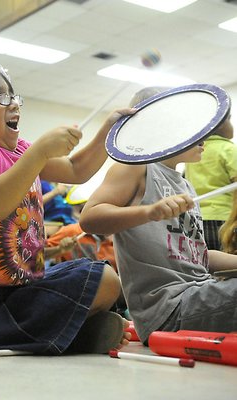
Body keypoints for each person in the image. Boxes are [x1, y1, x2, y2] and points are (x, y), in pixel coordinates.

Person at [0, 60, 134, 355]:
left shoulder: (21, 150)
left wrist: (108, 130)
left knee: (105, 278)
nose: (13, 103)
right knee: (98, 280)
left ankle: (54, 334)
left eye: (13, 96)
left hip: (26, 289)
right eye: (1, 98)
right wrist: (40, 152)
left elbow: (77, 170)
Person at [79, 87, 237, 345]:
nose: (203, 132)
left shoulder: (185, 185)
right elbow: (89, 217)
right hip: (169, 309)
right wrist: (149, 212)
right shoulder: (136, 167)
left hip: (198, 293)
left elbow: (201, 256)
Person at [184, 114, 237, 250]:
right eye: (229, 119)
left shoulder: (194, 152)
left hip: (196, 217)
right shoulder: (228, 149)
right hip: (223, 219)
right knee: (226, 265)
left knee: (204, 262)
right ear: (221, 123)